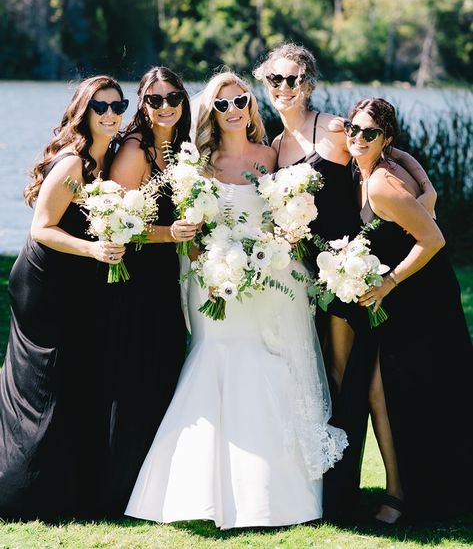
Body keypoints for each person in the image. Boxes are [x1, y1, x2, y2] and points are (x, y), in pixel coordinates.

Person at [125, 71, 348, 529]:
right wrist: (208, 262)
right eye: (222, 104)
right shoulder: (197, 165)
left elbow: (289, 218)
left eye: (240, 100)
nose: (232, 110)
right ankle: (194, 489)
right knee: (215, 360)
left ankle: (278, 493)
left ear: (250, 105)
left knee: (270, 367)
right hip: (213, 281)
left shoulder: (273, 158)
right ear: (210, 112)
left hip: (271, 281)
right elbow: (189, 234)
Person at [253, 41, 437, 519]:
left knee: (368, 380)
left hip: (353, 268)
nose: (284, 88)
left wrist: (427, 189)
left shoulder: (335, 129)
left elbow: (393, 155)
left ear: (308, 83)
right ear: (266, 85)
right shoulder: (274, 148)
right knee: (336, 379)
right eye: (275, 79)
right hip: (315, 276)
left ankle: (394, 494)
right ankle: (338, 489)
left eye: (294, 79)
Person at [0, 76, 128, 520]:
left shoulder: (105, 158)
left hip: (72, 280)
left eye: (118, 105)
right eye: (101, 107)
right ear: (84, 111)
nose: (111, 114)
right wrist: (94, 249)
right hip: (44, 280)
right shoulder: (73, 163)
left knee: (66, 380)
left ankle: (60, 485)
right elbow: (41, 228)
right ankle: (24, 492)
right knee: (43, 382)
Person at [346, 97, 473, 523]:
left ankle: (408, 497)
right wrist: (427, 185)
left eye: (369, 133)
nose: (356, 138)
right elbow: (422, 184)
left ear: (386, 139)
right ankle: (406, 491)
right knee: (391, 390)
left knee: (406, 390)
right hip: (410, 295)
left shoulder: (383, 183)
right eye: (352, 128)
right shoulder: (371, 166)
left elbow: (433, 239)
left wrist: (388, 281)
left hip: (422, 297)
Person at [106, 66, 196, 516]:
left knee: (163, 372)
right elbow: (117, 226)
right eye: (155, 99)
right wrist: (169, 234)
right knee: (135, 380)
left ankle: (153, 485)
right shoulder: (135, 150)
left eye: (173, 98)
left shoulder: (181, 149)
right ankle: (120, 487)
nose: (165, 107)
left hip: (167, 279)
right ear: (141, 103)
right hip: (136, 279)